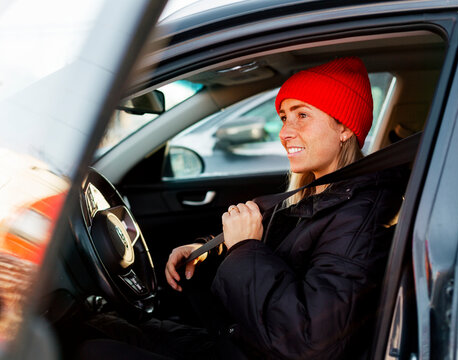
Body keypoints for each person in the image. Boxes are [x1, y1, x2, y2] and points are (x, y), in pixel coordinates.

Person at [78, 57, 408, 360]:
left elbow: (311, 341)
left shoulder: (361, 215)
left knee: (96, 352)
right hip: (244, 342)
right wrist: (206, 253)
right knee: (95, 327)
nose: (285, 131)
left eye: (302, 115)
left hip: (257, 350)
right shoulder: (319, 195)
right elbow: (280, 265)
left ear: (345, 127)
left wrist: (245, 248)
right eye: (283, 117)